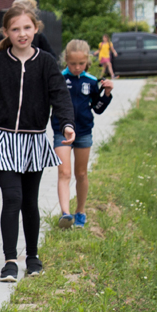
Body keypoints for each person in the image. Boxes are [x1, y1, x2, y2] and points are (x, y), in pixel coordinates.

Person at [0, 3, 76, 282]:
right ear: (6, 32)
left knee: (29, 201)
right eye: (15, 29)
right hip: (4, 139)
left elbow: (60, 96)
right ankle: (9, 261)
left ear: (36, 29)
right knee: (12, 198)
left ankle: (32, 256)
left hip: (33, 140)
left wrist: (67, 124)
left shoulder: (46, 62)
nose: (22, 34)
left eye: (27, 28)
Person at [54, 39, 114, 229]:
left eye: (81, 63)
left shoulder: (91, 81)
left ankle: (80, 212)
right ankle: (66, 214)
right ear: (66, 60)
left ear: (87, 61)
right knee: (64, 172)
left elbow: (97, 108)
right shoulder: (58, 79)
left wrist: (106, 95)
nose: (77, 67)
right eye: (73, 63)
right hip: (61, 132)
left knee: (81, 173)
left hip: (84, 132)